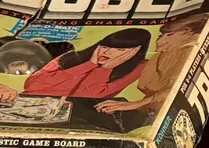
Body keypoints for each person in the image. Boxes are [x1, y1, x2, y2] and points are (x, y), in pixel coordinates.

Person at [22, 29, 153, 113]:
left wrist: (105, 69)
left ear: (135, 52)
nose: (107, 52)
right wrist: (88, 65)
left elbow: (87, 98)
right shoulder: (72, 57)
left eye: (121, 50)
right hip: (24, 104)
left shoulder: (137, 67)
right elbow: (31, 85)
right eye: (105, 46)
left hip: (71, 113)